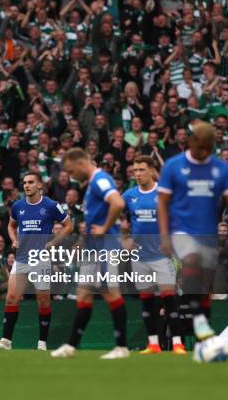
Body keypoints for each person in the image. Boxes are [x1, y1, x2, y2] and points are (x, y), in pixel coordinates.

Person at [158, 121, 228, 358]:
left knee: (203, 288)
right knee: (191, 260)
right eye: (201, 147)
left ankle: (202, 343)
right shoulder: (173, 166)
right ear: (191, 142)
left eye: (209, 148)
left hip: (207, 234)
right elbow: (162, 203)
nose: (204, 152)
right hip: (181, 231)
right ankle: (202, 331)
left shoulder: (221, 169)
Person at [52, 148, 129, 360]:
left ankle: (122, 347)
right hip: (95, 247)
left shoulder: (100, 180)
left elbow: (118, 202)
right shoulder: (93, 183)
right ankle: (71, 346)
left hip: (106, 245)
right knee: (84, 293)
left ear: (80, 164)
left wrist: (104, 227)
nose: (71, 176)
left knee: (110, 293)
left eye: (71, 170)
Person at [0, 172, 73, 350]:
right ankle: (6, 341)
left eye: (31, 182)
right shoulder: (18, 206)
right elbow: (11, 225)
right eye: (24, 182)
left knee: (43, 301)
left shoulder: (51, 205)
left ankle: (42, 343)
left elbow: (69, 225)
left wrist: (54, 241)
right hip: (22, 258)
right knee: (11, 298)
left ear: (40, 185)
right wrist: (13, 239)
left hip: (41, 259)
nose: (26, 185)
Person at [122, 156, 185, 355]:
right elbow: (115, 218)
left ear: (151, 171)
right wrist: (125, 239)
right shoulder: (129, 195)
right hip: (139, 257)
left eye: (141, 169)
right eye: (135, 170)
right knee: (147, 300)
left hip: (161, 256)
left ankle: (177, 343)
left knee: (169, 299)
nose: (138, 174)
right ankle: (153, 344)